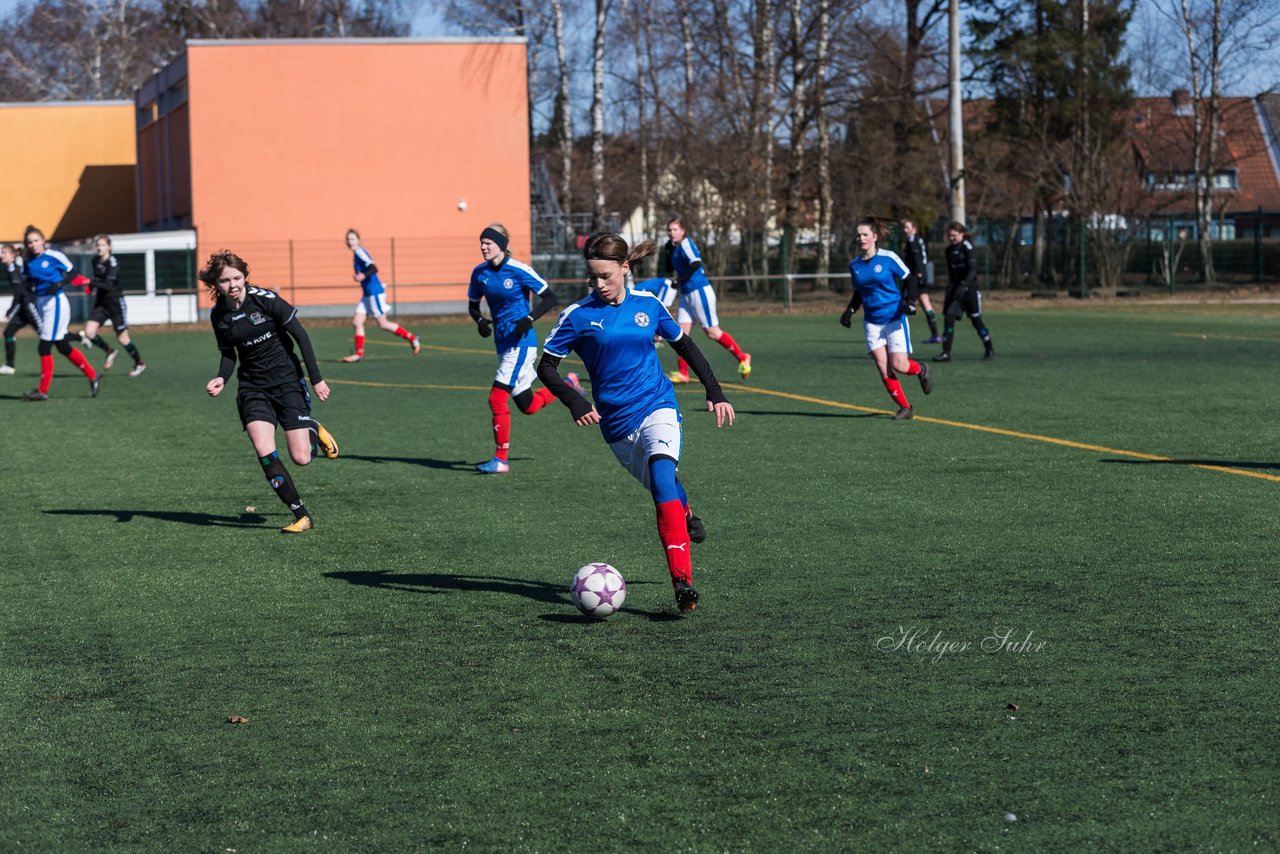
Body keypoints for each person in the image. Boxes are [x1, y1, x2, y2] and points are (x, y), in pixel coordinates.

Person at [537, 233, 735, 613]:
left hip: (657, 404)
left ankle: (682, 582)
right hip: (616, 424)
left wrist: (715, 390)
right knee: (666, 490)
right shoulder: (577, 315)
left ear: (625, 268)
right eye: (592, 278)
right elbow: (546, 366)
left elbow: (685, 346)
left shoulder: (649, 304)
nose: (598, 285)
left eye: (606, 276)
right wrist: (576, 401)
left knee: (662, 478)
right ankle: (686, 511)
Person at [202, 250, 339, 534]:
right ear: (217, 284)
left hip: (287, 382)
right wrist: (221, 378)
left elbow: (301, 336)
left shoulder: (266, 300)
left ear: (245, 276)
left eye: (237, 278)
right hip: (252, 387)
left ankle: (313, 428)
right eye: (226, 281)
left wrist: (316, 379)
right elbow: (229, 355)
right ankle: (301, 515)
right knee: (264, 450)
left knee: (301, 457)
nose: (233, 285)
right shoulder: (219, 315)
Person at [467, 224, 562, 474]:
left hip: (521, 344)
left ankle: (500, 460)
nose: (483, 246)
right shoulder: (479, 273)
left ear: (501, 244)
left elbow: (551, 297)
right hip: (502, 343)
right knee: (527, 405)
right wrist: (479, 321)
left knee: (496, 399)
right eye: (481, 242)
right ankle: (568, 384)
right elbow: (473, 305)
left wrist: (529, 319)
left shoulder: (519, 270)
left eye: (488, 242)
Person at [839, 216, 933, 420]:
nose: (861, 238)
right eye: (858, 235)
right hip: (872, 322)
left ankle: (922, 369)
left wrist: (910, 302)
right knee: (884, 368)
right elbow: (859, 292)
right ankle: (906, 408)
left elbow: (909, 278)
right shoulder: (854, 265)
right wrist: (850, 310)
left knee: (900, 365)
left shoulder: (888, 258)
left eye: (865, 234)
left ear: (874, 236)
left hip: (894, 318)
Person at [663, 217, 753, 382]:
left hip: (699, 291)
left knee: (712, 332)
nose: (672, 233)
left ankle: (742, 357)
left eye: (675, 229)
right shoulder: (674, 247)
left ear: (682, 231)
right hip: (686, 294)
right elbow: (669, 268)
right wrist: (668, 253)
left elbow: (696, 264)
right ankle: (683, 373)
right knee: (679, 334)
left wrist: (682, 280)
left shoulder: (686, 244)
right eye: (669, 230)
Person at [19, 225, 99, 401]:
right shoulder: (28, 261)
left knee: (44, 346)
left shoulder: (54, 256)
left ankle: (42, 391)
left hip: (56, 302)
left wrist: (59, 284)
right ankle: (93, 375)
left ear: (43, 240)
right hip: (42, 303)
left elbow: (73, 273)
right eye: (30, 242)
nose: (33, 244)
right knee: (62, 345)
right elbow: (28, 281)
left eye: (36, 240)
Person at [339, 228, 421, 362]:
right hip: (367, 293)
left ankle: (413, 338)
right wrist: (362, 276)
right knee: (357, 322)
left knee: (383, 324)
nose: (350, 241)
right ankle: (358, 355)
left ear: (358, 240)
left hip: (374, 292)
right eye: (348, 239)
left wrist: (363, 275)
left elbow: (374, 268)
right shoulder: (356, 253)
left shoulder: (360, 252)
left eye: (353, 238)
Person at [79, 235, 147, 377]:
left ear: (109, 247)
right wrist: (90, 287)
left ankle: (139, 364)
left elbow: (108, 285)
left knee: (122, 338)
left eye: (103, 245)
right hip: (101, 303)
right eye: (98, 245)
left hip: (115, 303)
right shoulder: (94, 261)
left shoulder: (113, 263)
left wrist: (90, 282)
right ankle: (110, 351)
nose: (99, 248)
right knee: (89, 332)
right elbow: (98, 281)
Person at [933, 221, 994, 362]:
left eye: (954, 235)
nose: (952, 238)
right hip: (955, 290)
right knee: (948, 318)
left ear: (962, 234)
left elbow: (972, 270)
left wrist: (964, 285)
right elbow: (951, 273)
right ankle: (946, 352)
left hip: (969, 290)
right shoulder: (948, 251)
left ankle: (989, 347)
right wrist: (953, 288)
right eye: (950, 236)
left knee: (976, 320)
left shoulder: (968, 247)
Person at [901, 218, 941, 343]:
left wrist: (919, 274)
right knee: (925, 304)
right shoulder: (915, 240)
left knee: (902, 303)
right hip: (917, 277)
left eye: (907, 227)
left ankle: (898, 335)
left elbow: (918, 259)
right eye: (904, 227)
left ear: (914, 229)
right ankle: (935, 335)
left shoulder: (914, 241)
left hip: (915, 278)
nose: (904, 230)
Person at [1, 243, 36, 376]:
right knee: (8, 333)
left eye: (4, 252)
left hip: (29, 307)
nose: (2, 255)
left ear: (12, 255)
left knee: (50, 337)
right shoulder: (12, 267)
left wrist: (10, 311)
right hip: (23, 309)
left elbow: (19, 293)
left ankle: (80, 337)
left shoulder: (13, 269)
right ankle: (10, 366)